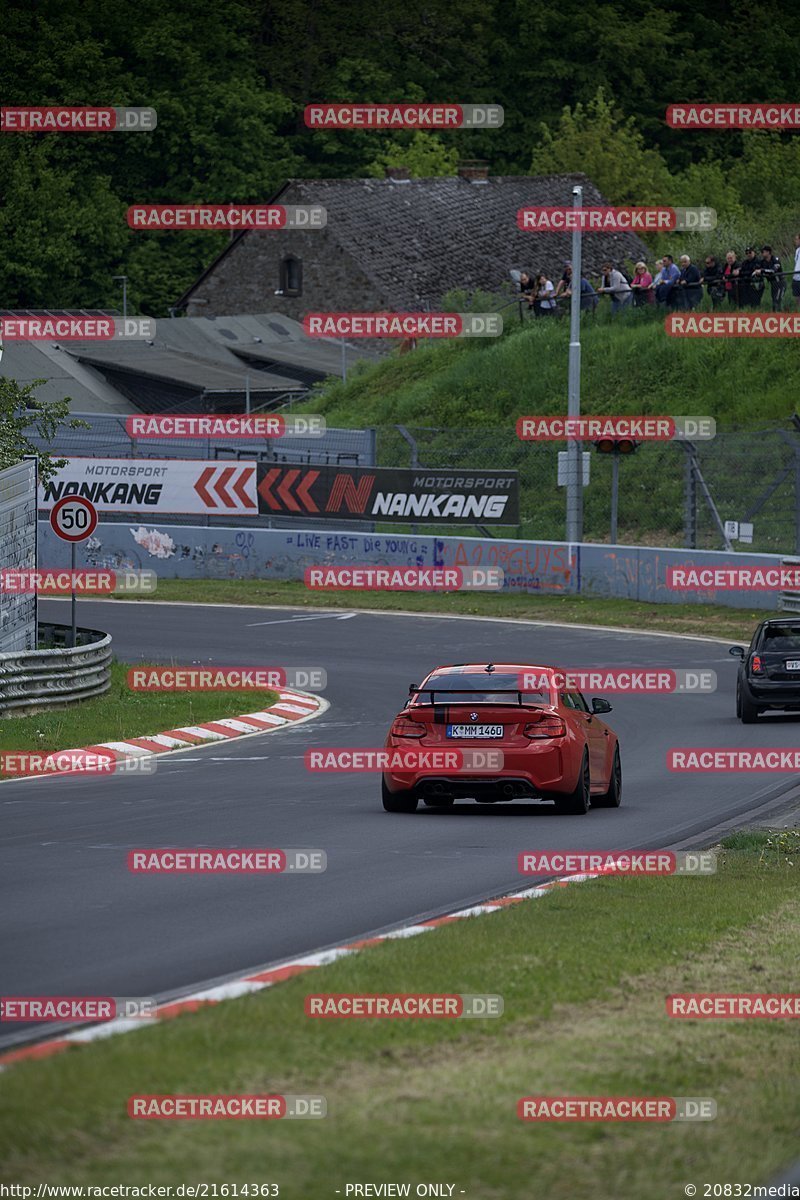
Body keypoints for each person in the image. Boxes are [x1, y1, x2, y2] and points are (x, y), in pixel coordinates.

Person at [754, 245, 785, 312]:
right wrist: (757, 272)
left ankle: (782, 315)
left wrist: (762, 270)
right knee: (774, 300)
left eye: (763, 252)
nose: (762, 253)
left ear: (768, 252)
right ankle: (775, 317)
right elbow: (757, 268)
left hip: (780, 283)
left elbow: (773, 270)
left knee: (777, 300)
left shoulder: (775, 259)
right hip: (773, 283)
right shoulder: (763, 262)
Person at [794, 234, 800, 310]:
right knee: (797, 296)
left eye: (797, 239)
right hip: (796, 277)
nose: (795, 241)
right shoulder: (797, 250)